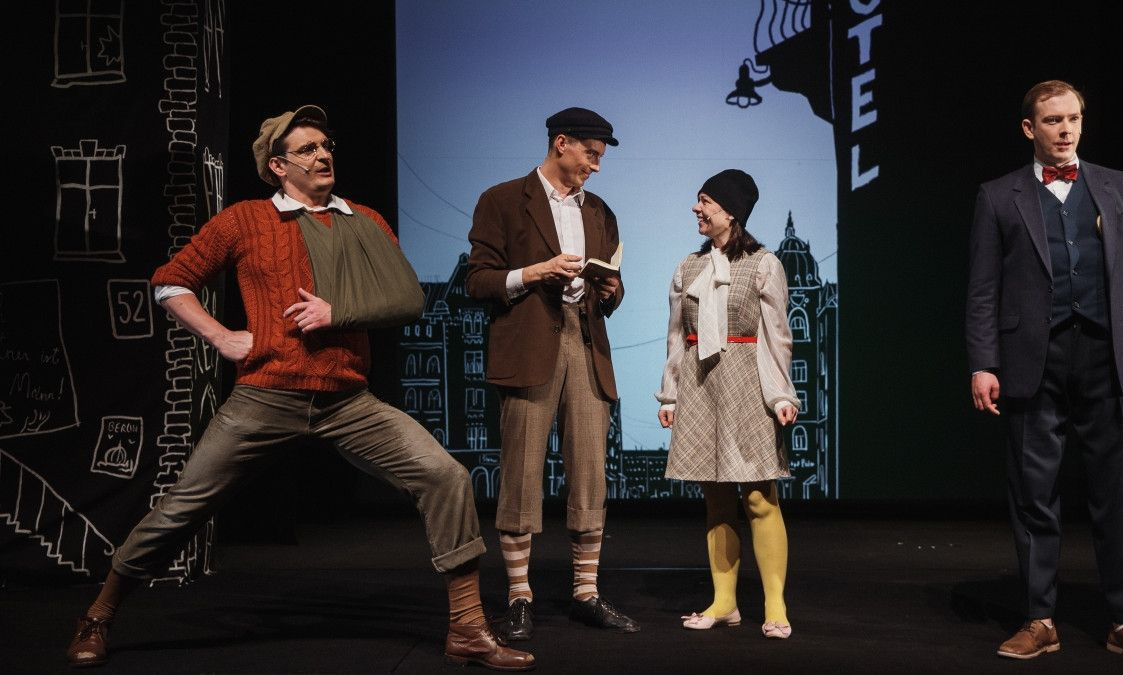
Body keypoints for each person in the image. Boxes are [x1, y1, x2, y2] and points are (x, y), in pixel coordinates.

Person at [65, 105, 533, 671]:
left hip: (347, 400)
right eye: (307, 148)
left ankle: (468, 628)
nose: (323, 154)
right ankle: (98, 614)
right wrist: (222, 337)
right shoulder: (246, 220)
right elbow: (171, 282)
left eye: (325, 144)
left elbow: (408, 300)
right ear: (277, 165)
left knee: (445, 475)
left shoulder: (364, 221)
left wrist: (339, 312)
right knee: (181, 510)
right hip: (266, 395)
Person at [966, 81, 1123, 664]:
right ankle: (1040, 620)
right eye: (1053, 120)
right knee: (1034, 492)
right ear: (1029, 128)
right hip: (1033, 358)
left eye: (1073, 119)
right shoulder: (998, 195)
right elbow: (982, 288)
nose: (1066, 130)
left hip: (1108, 355)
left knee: (1117, 492)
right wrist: (983, 362)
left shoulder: (1117, 186)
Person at [466, 107, 638, 640]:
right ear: (561, 143)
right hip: (530, 346)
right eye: (591, 154)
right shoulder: (502, 200)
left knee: (589, 473)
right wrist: (534, 272)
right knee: (521, 473)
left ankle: (586, 593)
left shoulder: (600, 211)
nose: (597, 166)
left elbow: (612, 290)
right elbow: (477, 281)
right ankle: (519, 596)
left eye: (601, 157)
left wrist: (611, 289)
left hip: (585, 345)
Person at [656, 169, 800, 640]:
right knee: (716, 500)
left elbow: (777, 338)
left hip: (748, 384)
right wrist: (670, 393)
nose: (696, 209)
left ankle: (775, 606)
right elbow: (676, 337)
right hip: (701, 388)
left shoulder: (763, 264)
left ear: (731, 211)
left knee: (759, 497)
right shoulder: (688, 268)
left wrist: (781, 394)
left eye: (705, 201)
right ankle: (725, 603)